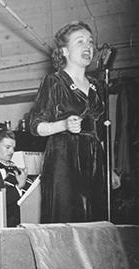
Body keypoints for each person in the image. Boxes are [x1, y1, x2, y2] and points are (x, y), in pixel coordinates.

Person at [29, 21, 120, 223]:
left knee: (97, 220)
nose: (88, 46)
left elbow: (101, 132)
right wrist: (62, 125)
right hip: (63, 157)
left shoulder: (98, 87)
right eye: (79, 42)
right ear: (64, 51)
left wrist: (110, 168)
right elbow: (35, 126)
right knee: (66, 219)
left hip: (95, 157)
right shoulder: (54, 81)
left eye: (90, 42)